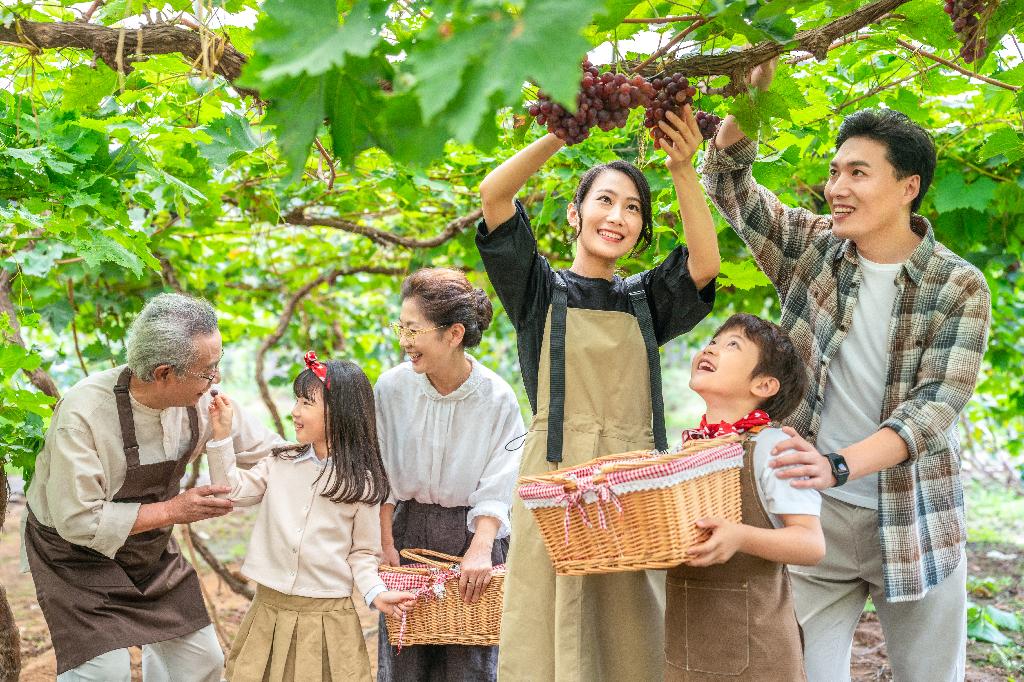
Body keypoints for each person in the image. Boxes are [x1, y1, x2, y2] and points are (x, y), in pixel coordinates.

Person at [702, 58, 992, 681]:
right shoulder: (816, 250)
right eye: (835, 172)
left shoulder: (959, 286)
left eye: (858, 173)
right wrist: (755, 89)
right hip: (813, 519)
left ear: (909, 185)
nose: (837, 187)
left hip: (914, 518)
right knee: (797, 673)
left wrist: (838, 464)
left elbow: (935, 406)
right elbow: (729, 183)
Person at [477, 106, 721, 680]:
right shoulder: (539, 289)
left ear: (641, 230)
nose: (617, 216)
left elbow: (704, 263)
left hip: (630, 484)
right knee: (546, 630)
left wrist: (683, 169)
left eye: (633, 208)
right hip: (556, 480)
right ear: (575, 214)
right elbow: (493, 196)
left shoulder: (644, 300)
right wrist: (562, 133)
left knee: (628, 632)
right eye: (605, 200)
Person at [20, 292, 286, 681]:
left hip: (148, 550)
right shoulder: (84, 414)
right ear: (163, 373)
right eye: (208, 371)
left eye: (219, 364)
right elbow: (77, 520)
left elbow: (273, 451)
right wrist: (173, 511)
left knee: (201, 660)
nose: (217, 380)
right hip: (74, 556)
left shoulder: (204, 404)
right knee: (104, 673)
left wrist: (333, 455)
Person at [209, 353, 416, 682]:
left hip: (328, 618)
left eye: (307, 402)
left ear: (340, 411)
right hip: (268, 610)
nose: (295, 411)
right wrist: (220, 438)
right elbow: (230, 492)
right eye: (296, 400)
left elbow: (363, 553)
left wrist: (376, 592)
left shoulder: (362, 483)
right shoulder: (281, 461)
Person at [375, 267, 526, 682]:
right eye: (401, 327)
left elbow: (501, 478)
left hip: (473, 535)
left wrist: (479, 549)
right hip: (407, 534)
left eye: (413, 330)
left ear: (454, 334)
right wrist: (385, 541)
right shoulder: (391, 389)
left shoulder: (496, 397)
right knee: (403, 660)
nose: (404, 342)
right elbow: (381, 471)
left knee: (470, 667)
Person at [666, 312, 824, 680]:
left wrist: (739, 536)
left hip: (758, 656)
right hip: (687, 649)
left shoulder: (773, 447)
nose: (712, 348)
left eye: (732, 345)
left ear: (764, 385)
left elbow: (811, 544)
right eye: (714, 341)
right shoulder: (686, 450)